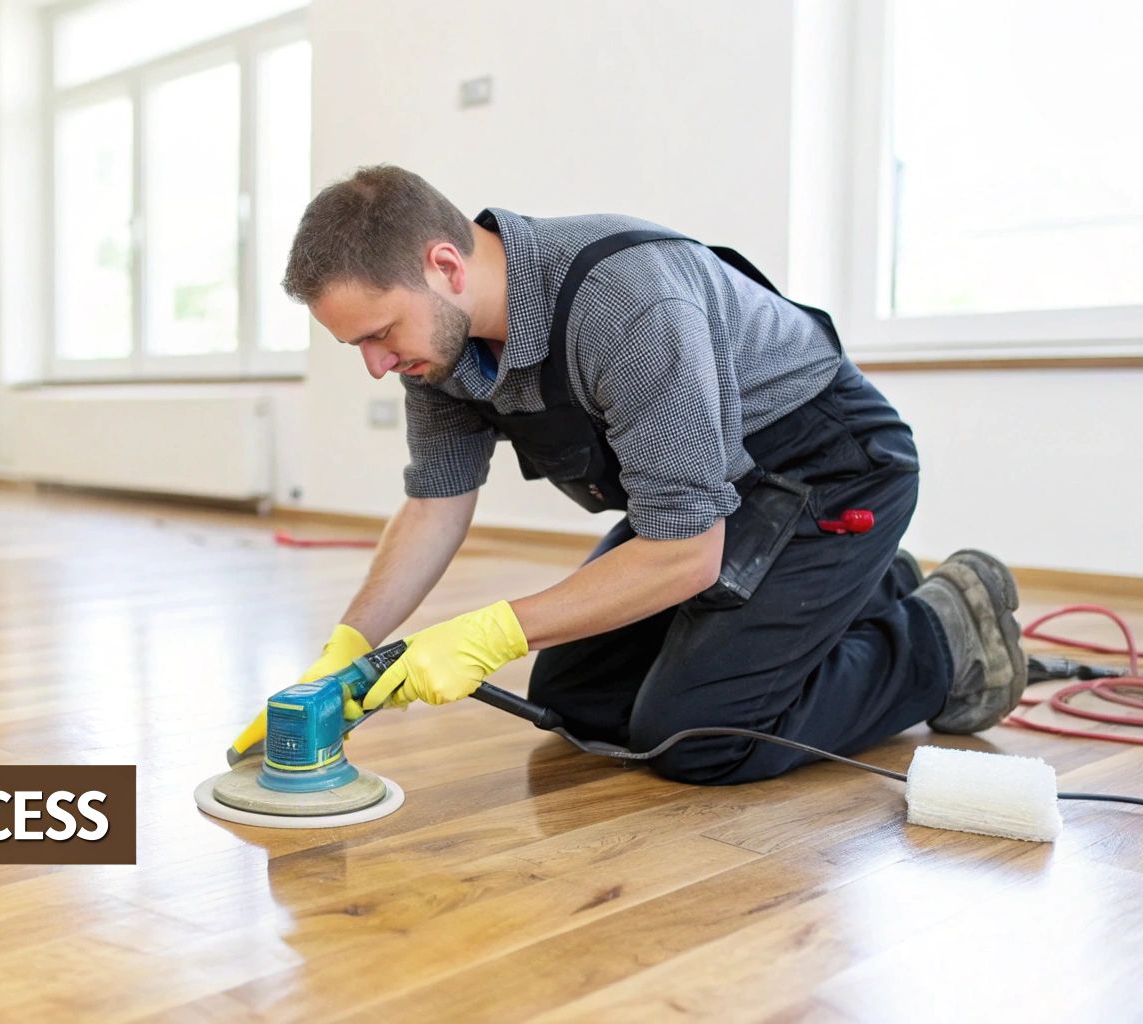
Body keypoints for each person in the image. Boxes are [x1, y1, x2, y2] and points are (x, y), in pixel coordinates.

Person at [236, 165, 1026, 785]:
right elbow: (436, 505)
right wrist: (347, 647)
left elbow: (686, 554)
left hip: (829, 470)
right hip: (709, 494)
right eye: (358, 349)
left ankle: (944, 638)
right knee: (574, 700)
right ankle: (860, 588)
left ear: (443, 265)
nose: (378, 366)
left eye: (378, 335)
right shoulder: (438, 350)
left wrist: (488, 632)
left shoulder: (625, 305)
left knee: (696, 737)